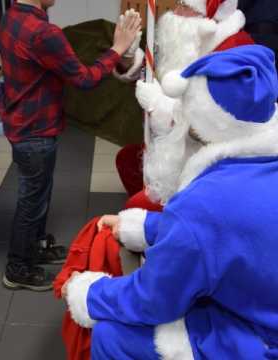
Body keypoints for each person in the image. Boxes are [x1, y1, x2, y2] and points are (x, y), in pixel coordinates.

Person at [63, 44, 278, 359]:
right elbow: (234, 234)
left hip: (256, 341)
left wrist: (88, 292)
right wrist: (145, 226)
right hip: (263, 307)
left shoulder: (205, 202)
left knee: (112, 334)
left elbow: (153, 299)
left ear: (199, 126)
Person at [0, 0, 141, 291]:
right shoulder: (43, 32)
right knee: (31, 200)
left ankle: (34, 248)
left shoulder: (11, 16)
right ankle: (18, 268)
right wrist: (118, 47)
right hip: (35, 130)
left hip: (22, 123)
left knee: (37, 194)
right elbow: (84, 79)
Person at [114, 0, 255, 209]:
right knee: (127, 160)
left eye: (185, 6)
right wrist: (127, 56)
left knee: (136, 207)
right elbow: (154, 71)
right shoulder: (189, 39)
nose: (175, 12)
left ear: (208, 17)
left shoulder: (235, 53)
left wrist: (160, 107)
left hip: (214, 165)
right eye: (177, 3)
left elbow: (217, 130)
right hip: (175, 148)